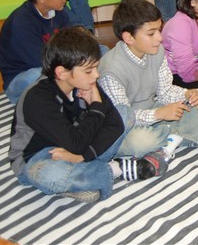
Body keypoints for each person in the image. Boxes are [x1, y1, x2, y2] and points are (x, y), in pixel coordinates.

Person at [9, 28, 161, 204]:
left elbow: (115, 124)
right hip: (40, 157)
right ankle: (115, 169)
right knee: (50, 175)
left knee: (124, 113)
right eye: (89, 71)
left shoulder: (84, 83)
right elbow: (75, 143)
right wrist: (96, 108)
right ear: (62, 73)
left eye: (96, 67)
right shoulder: (38, 99)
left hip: (78, 146)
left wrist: (82, 157)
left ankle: (84, 178)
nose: (96, 75)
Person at [98, 0, 198, 166]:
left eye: (159, 30)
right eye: (151, 33)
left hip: (152, 109)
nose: (159, 38)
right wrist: (159, 115)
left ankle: (171, 139)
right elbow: (122, 119)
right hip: (124, 125)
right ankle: (181, 133)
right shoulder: (111, 70)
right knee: (141, 141)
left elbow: (165, 91)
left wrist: (187, 93)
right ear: (129, 37)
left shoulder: (156, 52)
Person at [0, 0, 71, 105]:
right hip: (22, 78)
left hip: (57, 65)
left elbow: (72, 42)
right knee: (38, 75)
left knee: (100, 50)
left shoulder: (59, 11)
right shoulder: (21, 23)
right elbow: (42, 63)